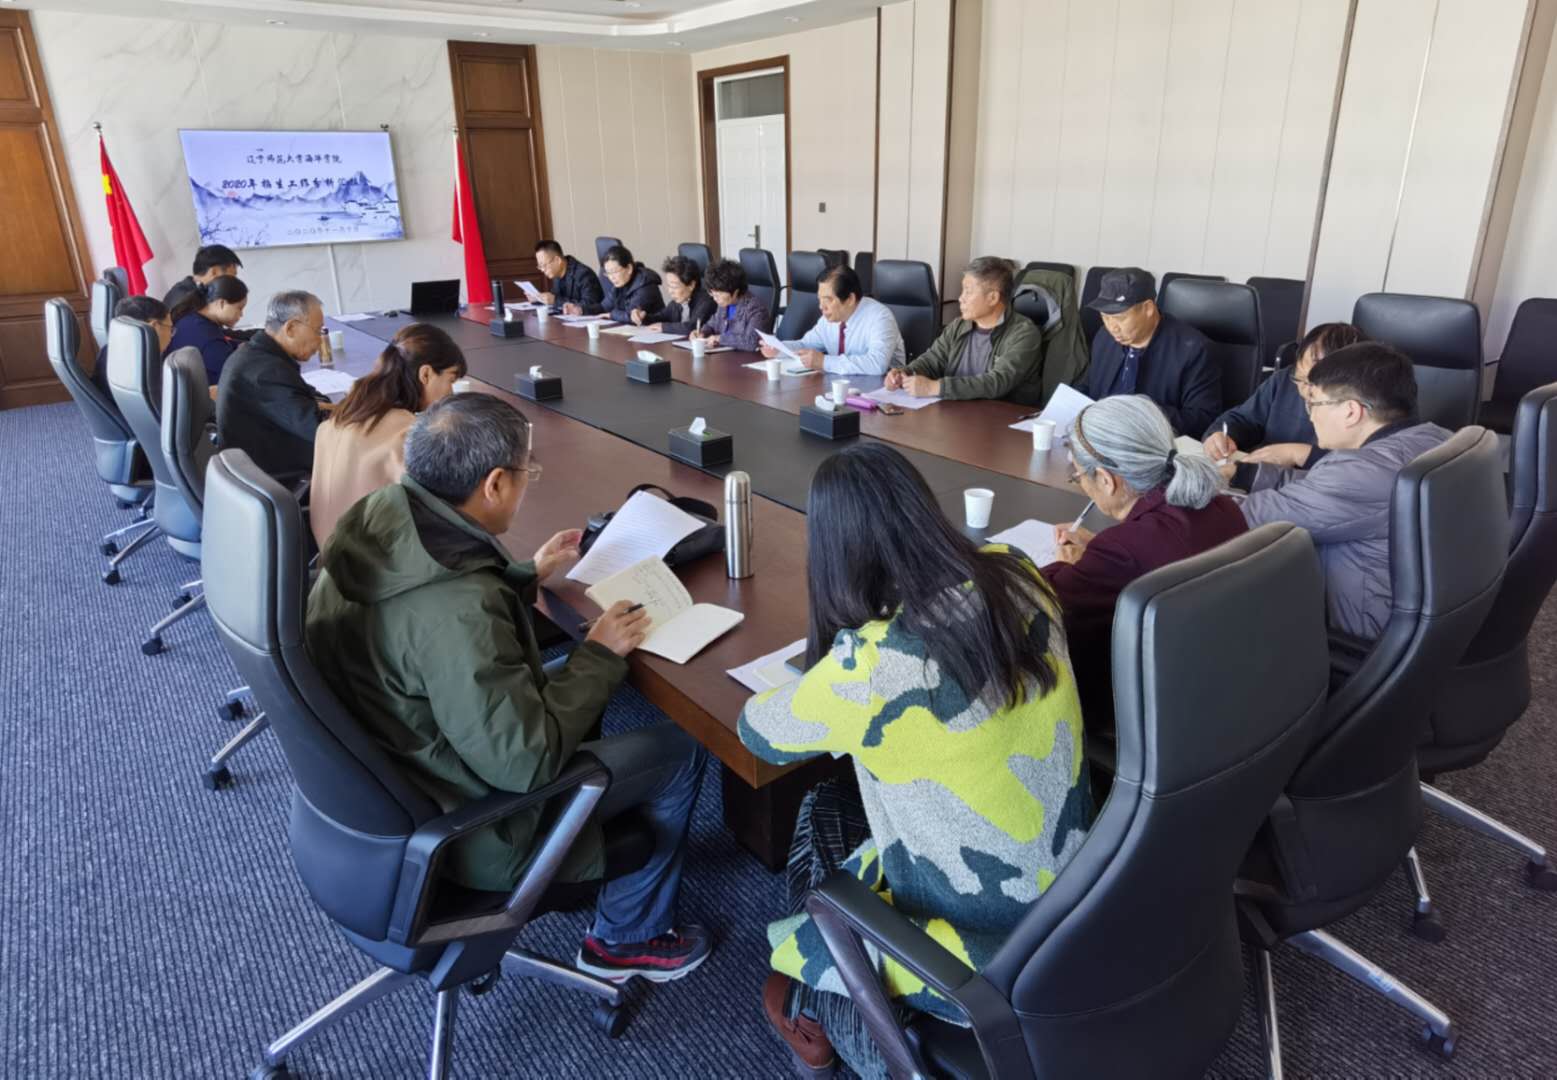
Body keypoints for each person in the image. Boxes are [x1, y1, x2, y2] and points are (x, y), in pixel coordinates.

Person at [305, 393, 713, 983]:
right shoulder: (459, 611)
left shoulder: (377, 518)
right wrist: (599, 653)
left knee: (573, 671)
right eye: (527, 473)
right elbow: (525, 763)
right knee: (684, 748)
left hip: (403, 764)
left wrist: (519, 576)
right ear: (495, 483)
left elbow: (421, 625)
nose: (527, 483)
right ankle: (627, 938)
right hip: (473, 822)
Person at [739, 442, 1091, 1079]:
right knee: (833, 804)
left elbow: (756, 731)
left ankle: (817, 997)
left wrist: (836, 663)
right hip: (1083, 897)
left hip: (984, 962)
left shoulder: (874, 665)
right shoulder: (1017, 572)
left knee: (818, 820)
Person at [1042, 395, 1247, 731]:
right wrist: (1099, 552)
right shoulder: (1223, 508)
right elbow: (1156, 554)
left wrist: (1068, 566)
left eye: (1077, 475)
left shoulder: (1122, 551)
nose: (1081, 484)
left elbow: (1039, 604)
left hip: (1146, 716)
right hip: (1221, 692)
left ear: (1106, 479)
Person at [1236, 342, 1449, 640]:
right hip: (1425, 622)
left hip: (1358, 636)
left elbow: (1245, 519)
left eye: (1314, 404)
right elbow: (1322, 495)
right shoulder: (1435, 437)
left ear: (1351, 411)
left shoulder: (1359, 472)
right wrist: (1245, 474)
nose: (1310, 416)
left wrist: (1186, 491)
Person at [308, 323, 468, 547]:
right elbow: (442, 508)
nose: (450, 392)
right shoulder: (405, 434)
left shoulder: (343, 415)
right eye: (451, 380)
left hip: (329, 554)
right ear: (426, 374)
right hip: (371, 560)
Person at [1078, 267, 1221, 437]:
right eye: (1105, 317)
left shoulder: (1193, 349)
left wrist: (1140, 414)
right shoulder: (1104, 337)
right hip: (1100, 434)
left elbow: (1203, 418)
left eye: (1120, 318)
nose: (1112, 327)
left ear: (1148, 308)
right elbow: (1090, 385)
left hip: (1153, 442)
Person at [1204, 322, 1368, 469]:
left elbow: (1361, 470)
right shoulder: (1284, 380)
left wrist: (1301, 454)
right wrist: (1221, 436)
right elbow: (1244, 419)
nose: (1305, 391)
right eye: (1300, 378)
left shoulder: (1362, 409)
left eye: (1314, 385)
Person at [885, 256, 1045, 404]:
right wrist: (904, 373)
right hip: (955, 412)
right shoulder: (959, 325)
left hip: (1001, 417)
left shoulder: (1024, 334)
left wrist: (935, 388)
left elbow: (997, 382)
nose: (961, 298)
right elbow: (932, 360)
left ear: (993, 298)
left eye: (968, 291)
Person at [215, 290, 330, 484]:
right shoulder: (266, 372)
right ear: (291, 328)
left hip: (263, 458)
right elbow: (320, 430)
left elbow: (306, 395)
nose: (320, 341)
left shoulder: (259, 353)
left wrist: (335, 406)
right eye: (317, 331)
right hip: (273, 476)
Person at [760, 264, 905, 375]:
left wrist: (824, 362)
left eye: (828, 300)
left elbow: (877, 364)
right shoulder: (829, 318)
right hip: (842, 385)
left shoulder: (880, 317)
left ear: (850, 299)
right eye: (819, 299)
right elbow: (806, 344)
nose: (821, 307)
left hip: (881, 391)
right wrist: (779, 349)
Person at [165, 275, 249, 385]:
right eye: (239, 308)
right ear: (221, 303)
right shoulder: (208, 338)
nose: (241, 314)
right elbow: (237, 375)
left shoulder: (191, 318)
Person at [91, 295, 172, 400]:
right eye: (170, 328)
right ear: (154, 326)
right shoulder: (146, 365)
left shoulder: (108, 350)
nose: (171, 335)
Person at [694, 258, 771, 352]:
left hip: (744, 358)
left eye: (718, 294)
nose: (715, 298)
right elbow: (711, 325)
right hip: (723, 355)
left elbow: (751, 342)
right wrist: (702, 333)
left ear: (735, 292)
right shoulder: (723, 305)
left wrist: (719, 339)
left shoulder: (755, 308)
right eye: (712, 294)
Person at [162, 244, 243, 321]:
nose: (233, 283)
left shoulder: (197, 293)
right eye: (232, 278)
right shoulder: (184, 299)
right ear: (214, 272)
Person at [639, 254, 715, 334]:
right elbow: (660, 317)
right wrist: (643, 318)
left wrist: (664, 327)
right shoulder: (676, 303)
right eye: (669, 286)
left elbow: (692, 327)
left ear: (691, 285)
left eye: (674, 286)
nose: (670, 291)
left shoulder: (707, 302)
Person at [534, 239, 604, 315]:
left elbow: (590, 304)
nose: (543, 270)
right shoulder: (556, 274)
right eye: (540, 266)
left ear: (557, 260)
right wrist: (539, 298)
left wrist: (555, 301)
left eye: (544, 265)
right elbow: (556, 297)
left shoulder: (584, 274)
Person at [600, 244, 665, 324]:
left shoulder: (645, 284)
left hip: (652, 330)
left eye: (615, 272)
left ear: (629, 269)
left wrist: (612, 315)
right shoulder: (620, 283)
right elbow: (604, 307)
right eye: (608, 273)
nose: (612, 277)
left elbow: (632, 317)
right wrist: (585, 309)